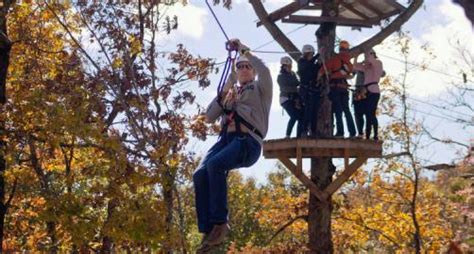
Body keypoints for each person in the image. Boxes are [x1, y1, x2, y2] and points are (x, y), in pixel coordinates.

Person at [193, 39, 272, 252]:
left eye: (247, 67)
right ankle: (208, 229)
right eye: (240, 67)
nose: (244, 69)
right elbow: (209, 117)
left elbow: (264, 70)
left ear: (253, 72)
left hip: (247, 142)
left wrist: (245, 50)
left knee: (215, 166)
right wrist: (227, 88)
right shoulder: (229, 95)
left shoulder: (261, 89)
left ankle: (220, 222)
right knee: (199, 175)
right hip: (226, 141)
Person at [321, 40, 356, 138]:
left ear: (340, 49)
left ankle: (340, 132)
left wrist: (321, 75)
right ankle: (352, 132)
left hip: (335, 88)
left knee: (338, 111)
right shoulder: (349, 63)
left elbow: (323, 70)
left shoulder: (334, 60)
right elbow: (351, 73)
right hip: (344, 89)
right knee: (347, 111)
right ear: (347, 50)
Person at [354, 48, 384, 140]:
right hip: (366, 91)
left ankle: (374, 135)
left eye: (367, 56)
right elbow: (355, 66)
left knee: (371, 113)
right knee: (367, 113)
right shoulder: (366, 67)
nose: (366, 58)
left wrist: (367, 55)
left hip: (374, 91)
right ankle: (367, 135)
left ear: (372, 55)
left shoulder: (378, 63)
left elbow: (372, 61)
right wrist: (356, 56)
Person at [297, 44, 322, 137]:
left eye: (312, 54)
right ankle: (304, 130)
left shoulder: (312, 64)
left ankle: (313, 131)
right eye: (310, 54)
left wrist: (320, 65)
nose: (311, 56)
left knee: (314, 111)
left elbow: (315, 69)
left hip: (314, 89)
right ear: (306, 54)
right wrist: (317, 55)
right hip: (306, 90)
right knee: (308, 111)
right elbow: (307, 66)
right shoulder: (301, 62)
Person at [278, 56, 303, 138]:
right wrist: (296, 89)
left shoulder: (293, 74)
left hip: (293, 98)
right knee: (294, 116)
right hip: (285, 99)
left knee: (300, 116)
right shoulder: (281, 76)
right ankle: (288, 135)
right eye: (288, 66)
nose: (289, 68)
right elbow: (285, 88)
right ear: (284, 66)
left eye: (290, 66)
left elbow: (297, 83)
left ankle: (299, 136)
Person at [353, 70, 367, 138]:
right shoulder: (359, 67)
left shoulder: (373, 65)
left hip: (366, 90)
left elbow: (382, 73)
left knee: (367, 114)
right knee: (358, 114)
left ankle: (366, 133)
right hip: (357, 90)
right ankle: (360, 132)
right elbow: (352, 72)